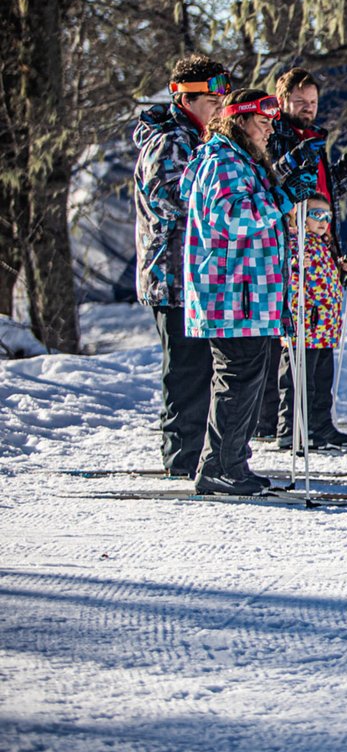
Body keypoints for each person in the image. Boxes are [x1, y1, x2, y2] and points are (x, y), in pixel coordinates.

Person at [180, 89, 321, 494]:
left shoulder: (242, 161)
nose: (269, 128)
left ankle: (230, 461)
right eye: (262, 121)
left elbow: (257, 205)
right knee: (237, 378)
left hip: (252, 292)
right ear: (240, 121)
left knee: (247, 379)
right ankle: (220, 466)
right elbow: (234, 218)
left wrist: (286, 176)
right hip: (232, 292)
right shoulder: (222, 161)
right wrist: (285, 195)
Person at [253, 65, 347, 439]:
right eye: (300, 101)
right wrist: (296, 160)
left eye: (313, 101)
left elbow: (321, 192)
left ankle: (319, 421)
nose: (308, 107)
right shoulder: (274, 137)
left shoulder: (313, 137)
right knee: (295, 345)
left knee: (322, 339)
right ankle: (287, 423)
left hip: (322, 245)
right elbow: (275, 181)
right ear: (282, 99)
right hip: (291, 247)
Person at [132, 54, 231, 479]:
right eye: (212, 98)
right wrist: (220, 202)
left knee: (203, 369)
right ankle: (181, 456)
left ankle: (197, 453)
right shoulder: (172, 141)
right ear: (185, 98)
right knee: (186, 372)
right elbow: (168, 198)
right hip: (172, 275)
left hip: (197, 275)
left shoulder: (203, 139)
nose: (219, 105)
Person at [276, 194, 347, 450]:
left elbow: (327, 285)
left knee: (322, 381)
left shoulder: (323, 244)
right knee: (299, 382)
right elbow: (285, 278)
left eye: (327, 217)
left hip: (324, 327)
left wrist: (342, 272)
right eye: (316, 215)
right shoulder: (294, 242)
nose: (323, 222)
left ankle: (320, 424)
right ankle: (291, 428)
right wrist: (295, 265)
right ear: (300, 217)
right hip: (304, 327)